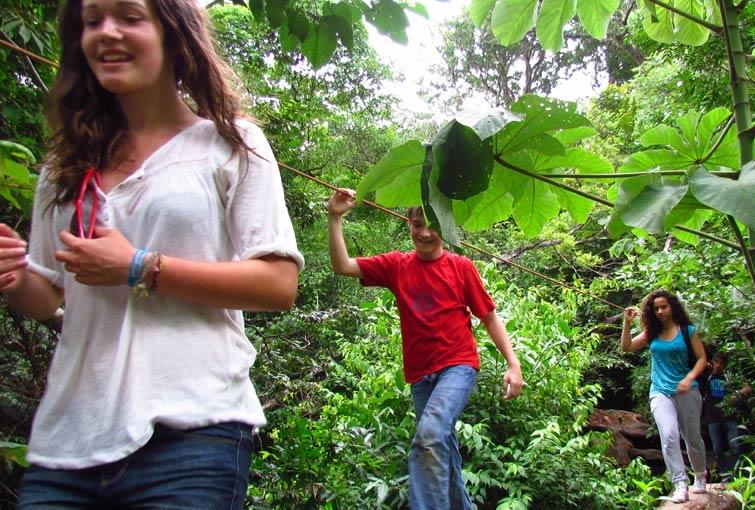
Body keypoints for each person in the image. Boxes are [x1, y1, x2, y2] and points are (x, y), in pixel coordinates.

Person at [0, 0, 303, 507]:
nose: (107, 32)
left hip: (192, 433)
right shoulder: (65, 165)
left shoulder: (229, 142)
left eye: (129, 17)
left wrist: (140, 267)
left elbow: (277, 284)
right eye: (93, 20)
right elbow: (50, 295)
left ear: (172, 34)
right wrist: (11, 275)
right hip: (67, 442)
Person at [327, 189, 524, 510]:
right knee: (443, 455)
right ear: (409, 223)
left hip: (458, 367)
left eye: (433, 225)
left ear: (445, 226)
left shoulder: (461, 268)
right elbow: (342, 265)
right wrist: (335, 217)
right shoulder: (397, 265)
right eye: (418, 224)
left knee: (430, 436)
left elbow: (488, 316)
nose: (425, 233)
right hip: (420, 379)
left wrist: (513, 364)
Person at [620, 290, 707, 503]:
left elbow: (702, 358)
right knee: (668, 436)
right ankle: (680, 483)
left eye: (664, 307)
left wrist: (689, 378)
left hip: (686, 390)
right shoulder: (651, 333)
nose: (660, 311)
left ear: (672, 307)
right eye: (656, 308)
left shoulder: (687, 331)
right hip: (659, 391)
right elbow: (627, 347)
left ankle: (700, 476)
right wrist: (627, 324)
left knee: (692, 438)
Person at [703, 350, 751, 480]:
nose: (718, 365)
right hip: (712, 417)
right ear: (713, 362)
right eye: (716, 362)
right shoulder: (706, 377)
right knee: (718, 448)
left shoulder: (729, 377)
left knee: (735, 446)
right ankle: (725, 474)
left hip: (729, 417)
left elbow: (747, 388)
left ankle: (735, 474)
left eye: (721, 363)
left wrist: (737, 394)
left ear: (725, 365)